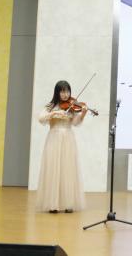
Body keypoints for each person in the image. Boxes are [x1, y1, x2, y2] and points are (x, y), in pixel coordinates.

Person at [36, 80, 87, 213]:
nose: (66, 94)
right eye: (63, 91)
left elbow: (75, 123)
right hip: (54, 138)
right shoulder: (51, 106)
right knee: (53, 169)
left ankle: (68, 203)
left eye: (67, 91)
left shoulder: (72, 106)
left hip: (68, 138)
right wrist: (53, 113)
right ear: (57, 92)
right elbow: (41, 118)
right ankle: (53, 204)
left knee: (67, 169)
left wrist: (83, 114)